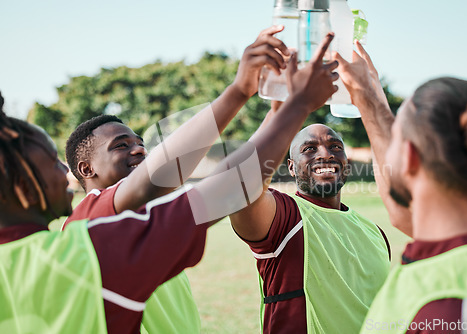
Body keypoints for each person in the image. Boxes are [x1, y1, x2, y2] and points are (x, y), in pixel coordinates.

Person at [0, 31, 339, 333]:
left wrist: (277, 108)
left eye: (140, 144)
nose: (64, 173)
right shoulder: (88, 240)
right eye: (52, 163)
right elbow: (219, 185)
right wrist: (289, 103)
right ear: (21, 184)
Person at [62, 26, 294, 334]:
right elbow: (175, 174)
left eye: (139, 142)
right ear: (87, 169)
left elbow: (234, 180)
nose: (139, 149)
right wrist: (240, 90)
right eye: (120, 145)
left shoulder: (147, 221)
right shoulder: (86, 223)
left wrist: (281, 107)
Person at [334, 43, 467, 334]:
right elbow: (403, 213)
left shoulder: (456, 312)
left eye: (395, 137)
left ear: (409, 157)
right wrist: (369, 101)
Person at [229, 64, 392, 334]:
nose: (325, 154)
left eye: (335, 146)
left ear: (347, 164)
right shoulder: (285, 217)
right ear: (292, 167)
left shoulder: (376, 233)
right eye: (309, 149)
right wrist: (282, 113)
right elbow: (240, 189)